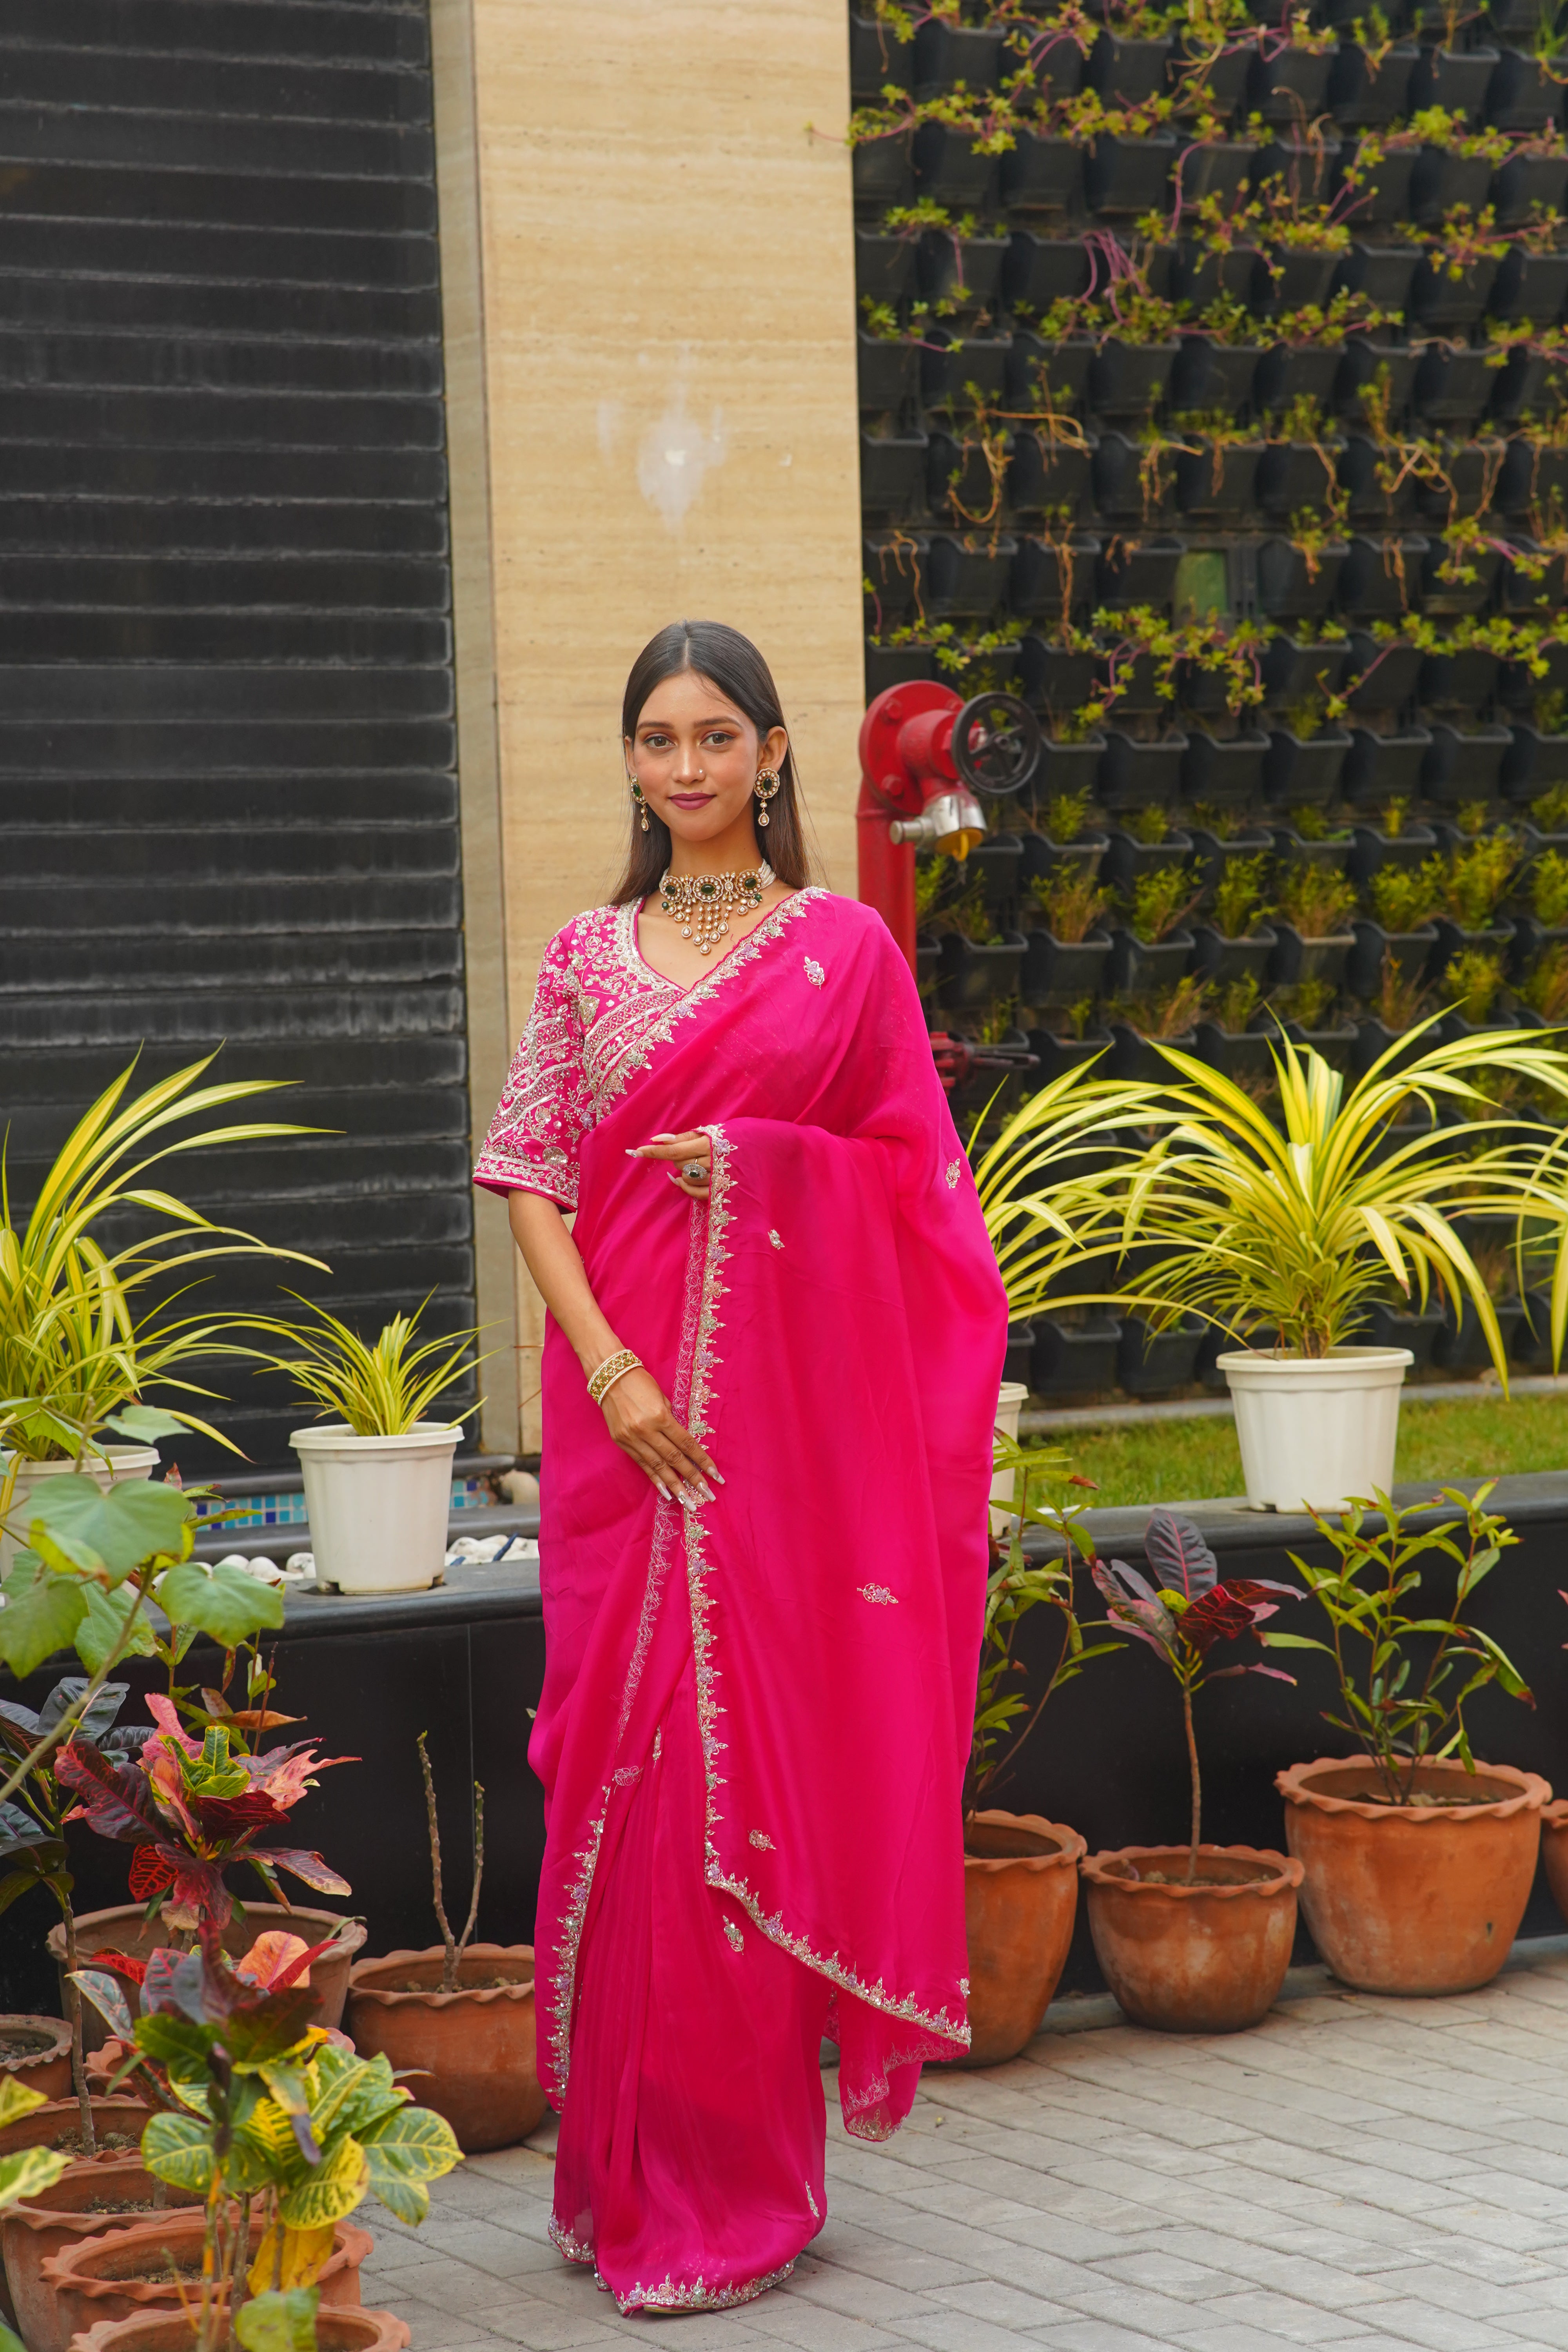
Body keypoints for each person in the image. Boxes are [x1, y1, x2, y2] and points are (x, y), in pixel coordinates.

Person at [474, 620, 1007, 2315]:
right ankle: (618, 2166)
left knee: (743, 1770)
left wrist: (770, 1167)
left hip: (775, 1432)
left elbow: (915, 1189)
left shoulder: (843, 951)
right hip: (620, 1415)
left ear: (774, 754)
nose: (686, 768)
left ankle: (731, 2191)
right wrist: (614, 1372)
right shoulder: (581, 953)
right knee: (621, 1771)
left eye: (717, 737)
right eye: (656, 739)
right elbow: (530, 1177)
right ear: (630, 761)